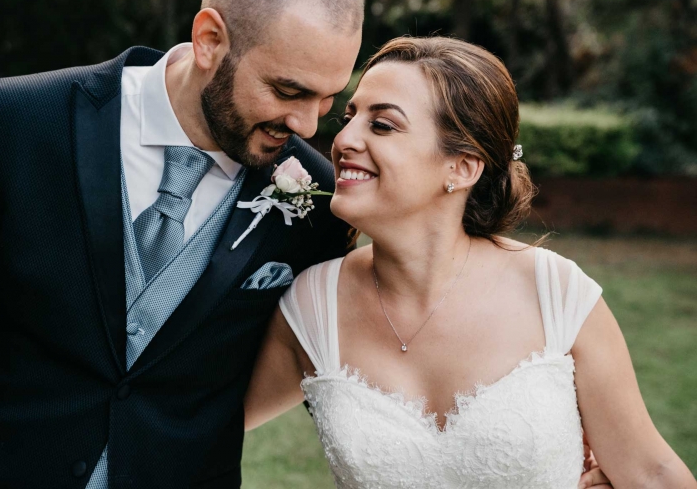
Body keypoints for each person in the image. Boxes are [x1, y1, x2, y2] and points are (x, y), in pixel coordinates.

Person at [0, 0, 363, 487]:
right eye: (288, 91)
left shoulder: (318, 199)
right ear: (210, 39)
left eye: (328, 100)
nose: (305, 124)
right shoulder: (17, 123)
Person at [244, 36, 697, 488]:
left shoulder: (555, 294)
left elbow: (651, 473)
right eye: (350, 117)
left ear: (462, 167)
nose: (343, 139)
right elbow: (198, 424)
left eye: (381, 125)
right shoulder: (312, 304)